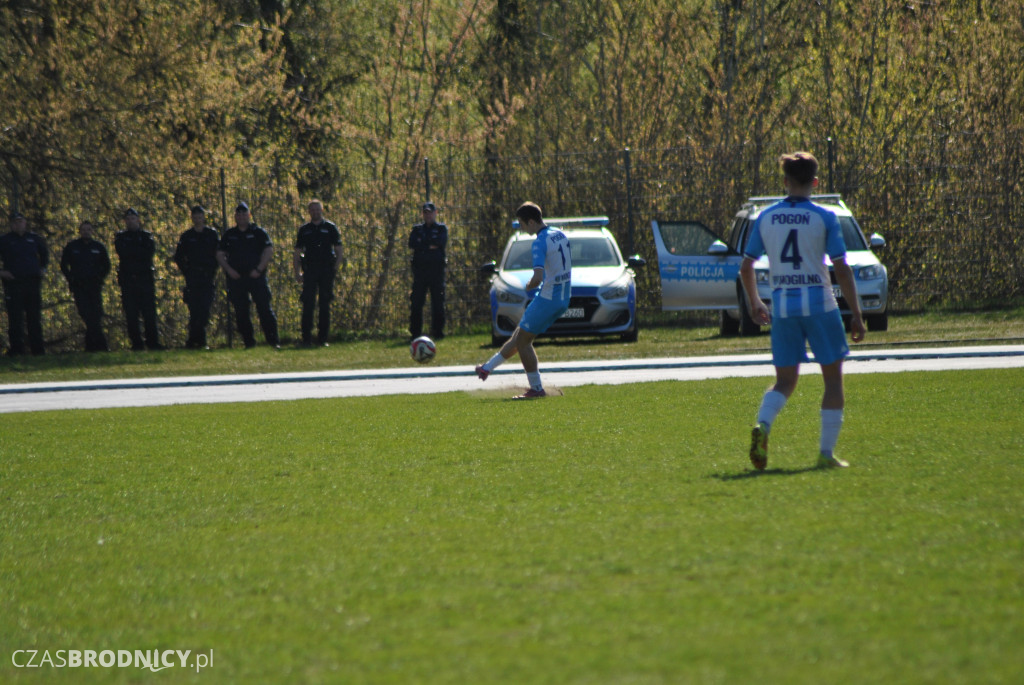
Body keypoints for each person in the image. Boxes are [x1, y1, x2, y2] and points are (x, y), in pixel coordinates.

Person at [739, 151, 865, 470]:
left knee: (784, 381)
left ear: (785, 181)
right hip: (820, 305)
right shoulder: (825, 217)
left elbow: (746, 265)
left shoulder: (766, 217)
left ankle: (763, 426)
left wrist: (755, 302)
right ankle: (825, 454)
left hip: (783, 307)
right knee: (833, 383)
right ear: (815, 182)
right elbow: (842, 268)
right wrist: (857, 314)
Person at [475, 202, 571, 399]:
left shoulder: (539, 241)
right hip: (563, 298)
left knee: (524, 341)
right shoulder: (559, 234)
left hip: (547, 298)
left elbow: (537, 277)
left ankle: (536, 389)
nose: (521, 227)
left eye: (521, 223)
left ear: (531, 221)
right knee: (520, 335)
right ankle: (486, 369)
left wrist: (529, 285)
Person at [216, 202, 280, 349]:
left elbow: (268, 250)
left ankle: (273, 341)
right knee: (241, 311)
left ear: (249, 215)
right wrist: (229, 270)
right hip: (237, 278)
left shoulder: (258, 232)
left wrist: (259, 269)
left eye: (244, 214)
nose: (242, 217)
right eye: (239, 214)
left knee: (264, 309)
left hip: (256, 277)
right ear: (235, 217)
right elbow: (219, 254)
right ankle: (249, 343)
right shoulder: (229, 234)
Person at [293, 199, 343, 346]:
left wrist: (335, 268)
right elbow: (297, 252)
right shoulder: (304, 230)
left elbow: (339, 250)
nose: (315, 212)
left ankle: (322, 339)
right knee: (308, 304)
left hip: (326, 270)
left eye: (317, 209)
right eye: (312, 210)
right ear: (309, 212)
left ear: (322, 210)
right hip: (310, 271)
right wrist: (297, 272)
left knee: (324, 304)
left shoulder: (330, 228)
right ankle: (306, 339)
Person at [114, 208, 163, 351]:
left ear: (138, 220)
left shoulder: (146, 236)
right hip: (128, 280)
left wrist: (133, 252)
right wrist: (136, 252)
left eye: (133, 219)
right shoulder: (121, 237)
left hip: (145, 280)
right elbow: (123, 253)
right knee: (131, 313)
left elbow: (147, 253)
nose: (131, 221)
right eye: (128, 219)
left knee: (149, 313)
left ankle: (153, 343)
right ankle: (136, 343)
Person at [0, 211, 48, 355]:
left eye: (21, 221)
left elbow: (44, 256)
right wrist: (1, 272)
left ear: (25, 223)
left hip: (32, 282)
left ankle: (38, 351)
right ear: (11, 224)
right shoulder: (4, 240)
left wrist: (43, 269)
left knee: (34, 318)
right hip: (13, 284)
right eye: (15, 222)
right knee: (15, 319)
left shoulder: (34, 239)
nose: (18, 224)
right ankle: (17, 350)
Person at [173, 205, 220, 349]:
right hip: (193, 276)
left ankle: (198, 339)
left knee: (205, 309)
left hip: (207, 276)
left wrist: (213, 269)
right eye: (195, 216)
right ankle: (196, 341)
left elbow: (218, 254)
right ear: (192, 218)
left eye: (200, 216)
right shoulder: (187, 236)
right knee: (194, 309)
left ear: (203, 217)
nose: (197, 219)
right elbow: (179, 256)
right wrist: (186, 271)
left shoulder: (211, 234)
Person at [60, 220, 111, 352]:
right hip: (79, 286)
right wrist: (71, 278)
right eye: (83, 229)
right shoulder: (72, 247)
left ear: (92, 231)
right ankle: (100, 345)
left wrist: (100, 278)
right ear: (80, 231)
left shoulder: (99, 247)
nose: (86, 232)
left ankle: (92, 347)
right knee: (86, 314)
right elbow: (64, 265)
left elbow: (107, 265)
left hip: (94, 286)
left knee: (96, 315)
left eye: (88, 229)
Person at [408, 201, 447, 340]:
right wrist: (428, 245)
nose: (428, 215)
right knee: (417, 302)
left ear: (435, 213)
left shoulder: (441, 229)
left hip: (436, 272)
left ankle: (438, 332)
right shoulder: (417, 229)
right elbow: (412, 244)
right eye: (425, 213)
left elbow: (440, 243)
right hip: (420, 272)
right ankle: (415, 333)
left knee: (438, 303)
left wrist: (423, 245)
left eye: (430, 212)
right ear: (422, 214)